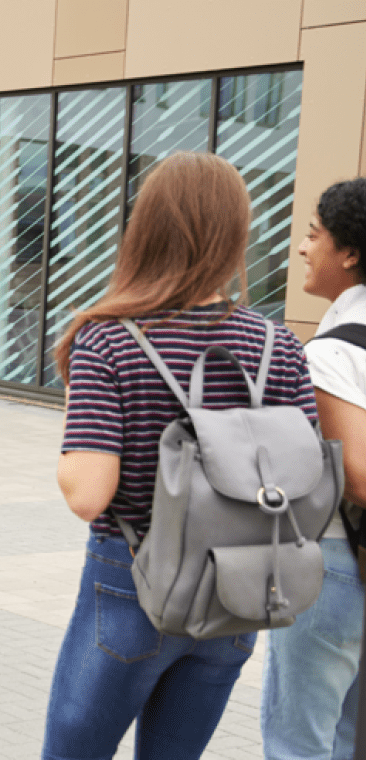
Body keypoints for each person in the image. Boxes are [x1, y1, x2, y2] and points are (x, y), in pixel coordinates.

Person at [42, 152, 317, 759]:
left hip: (134, 579)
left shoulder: (109, 338)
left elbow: (88, 492)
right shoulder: (279, 345)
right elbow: (306, 484)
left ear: (146, 227)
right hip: (241, 589)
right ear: (236, 234)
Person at [261, 177, 366, 760]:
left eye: (313, 234)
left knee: (298, 740)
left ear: (349, 253)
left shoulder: (333, 352)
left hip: (337, 564)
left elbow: (356, 476)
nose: (303, 248)